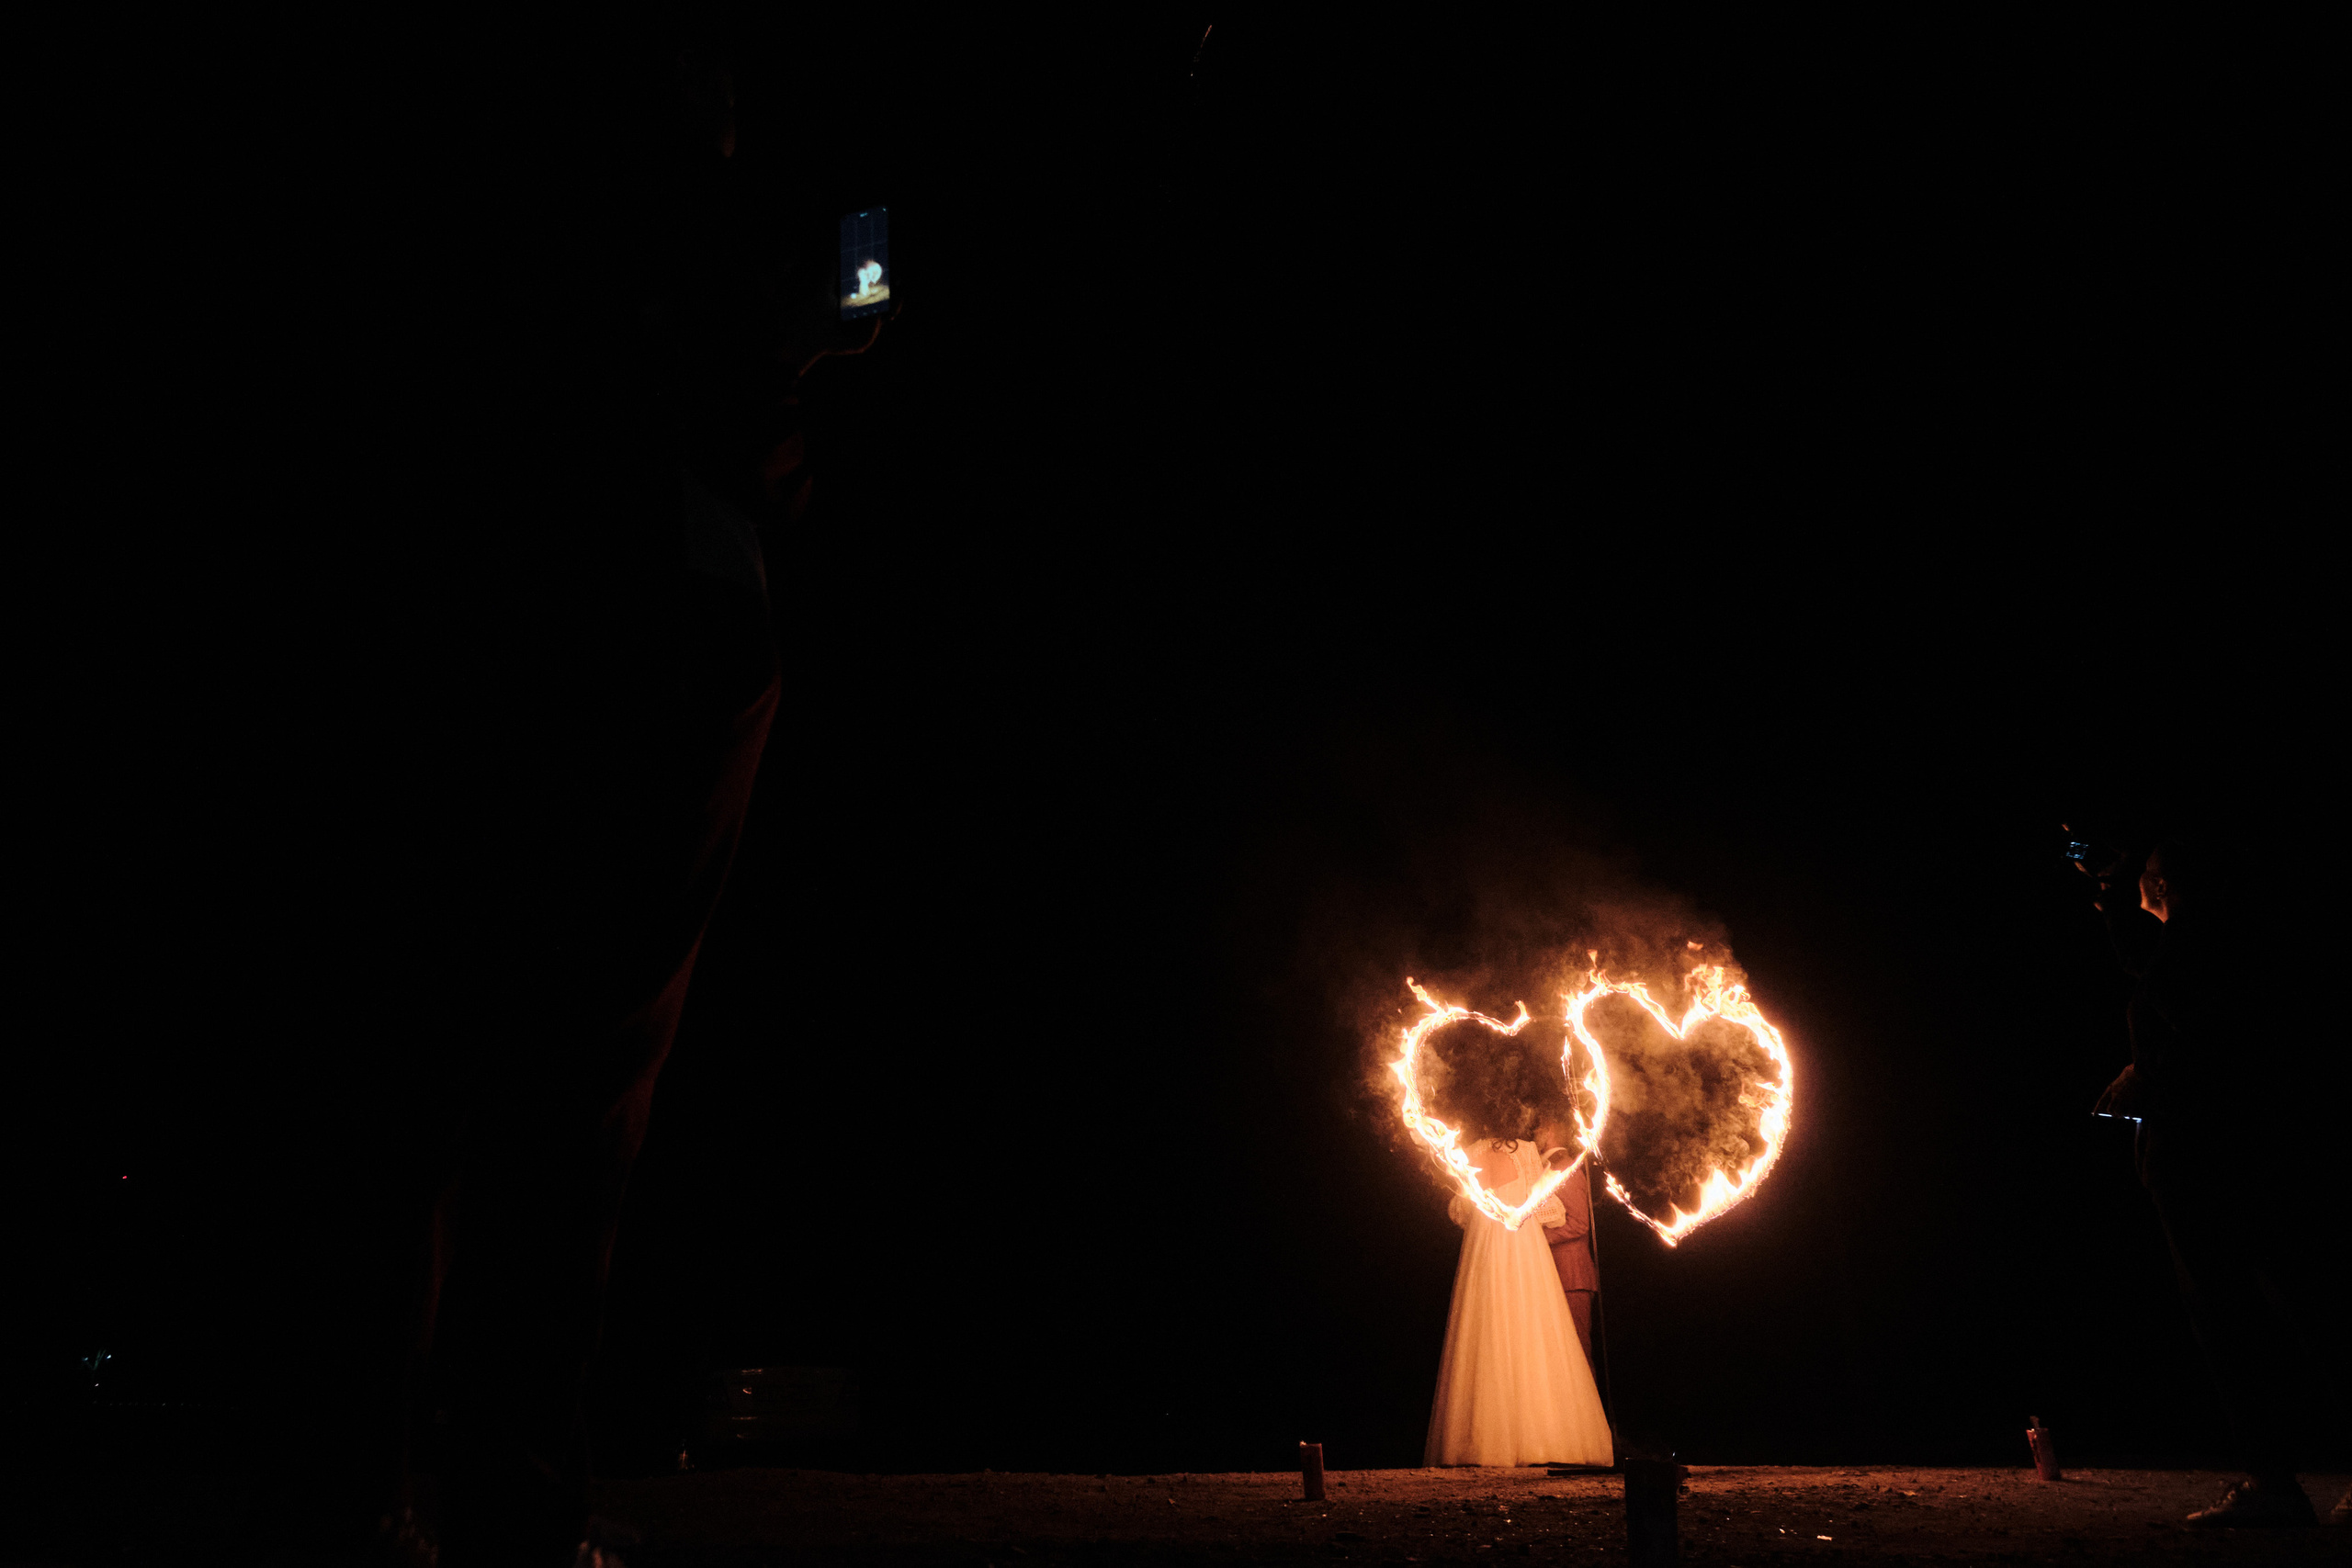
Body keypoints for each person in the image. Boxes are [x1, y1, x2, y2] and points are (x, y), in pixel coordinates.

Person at [2079, 836, 2344, 1529]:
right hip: (2228, 1153)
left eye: (2145, 874)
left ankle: (2272, 1484)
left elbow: (2205, 1028)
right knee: (2293, 1303)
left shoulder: (2203, 949)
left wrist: (2149, 1077)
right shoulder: (2201, 940)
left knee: (2243, 1315)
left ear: (2164, 885)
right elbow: (2148, 967)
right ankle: (2272, 1478)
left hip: (2210, 1158)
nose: (2138, 880)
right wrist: (2108, 897)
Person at [1424, 1134, 1615, 1467]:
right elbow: (1550, 1210)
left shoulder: (1468, 1152)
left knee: (1484, 1332)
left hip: (1482, 1249)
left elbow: (1458, 1210)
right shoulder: (1526, 1151)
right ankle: (1543, 1436)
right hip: (1522, 1246)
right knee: (1530, 1329)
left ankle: (1478, 1441)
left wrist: (1484, 1220)